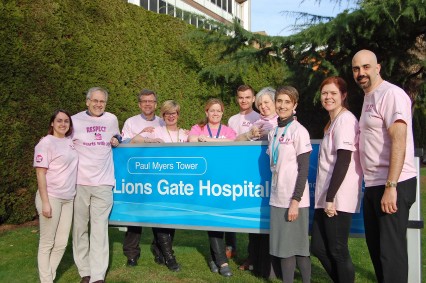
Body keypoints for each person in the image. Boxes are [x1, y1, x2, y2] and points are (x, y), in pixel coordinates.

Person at [352, 49, 417, 283]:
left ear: (378, 67)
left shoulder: (391, 94)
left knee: (391, 254)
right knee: (377, 251)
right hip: (375, 184)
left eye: (366, 67)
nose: (361, 73)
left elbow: (399, 139)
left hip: (394, 183)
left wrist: (391, 186)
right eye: (356, 69)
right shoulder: (369, 97)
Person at [310, 76, 363, 283]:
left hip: (337, 196)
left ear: (343, 95)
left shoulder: (346, 120)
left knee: (337, 249)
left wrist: (331, 197)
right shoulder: (332, 122)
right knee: (318, 247)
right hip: (326, 194)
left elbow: (344, 160)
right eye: (325, 93)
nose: (328, 97)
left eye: (333, 93)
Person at [72, 87, 120, 283]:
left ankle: (98, 275)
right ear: (87, 101)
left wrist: (116, 139)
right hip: (79, 183)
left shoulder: (111, 119)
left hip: (103, 183)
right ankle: (85, 271)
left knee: (99, 230)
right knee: (80, 229)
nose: (98, 104)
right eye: (95, 101)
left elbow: (117, 136)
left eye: (102, 102)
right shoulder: (74, 120)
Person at [132, 100, 187, 272]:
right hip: (159, 183)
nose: (171, 116)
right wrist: (149, 140)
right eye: (167, 113)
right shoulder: (156, 130)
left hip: (178, 184)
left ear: (178, 115)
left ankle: (160, 250)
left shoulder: (184, 134)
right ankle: (170, 257)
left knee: (172, 220)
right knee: (161, 217)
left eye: (174, 113)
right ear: (162, 116)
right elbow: (134, 141)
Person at [267, 86, 312, 283]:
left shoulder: (299, 131)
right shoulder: (273, 132)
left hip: (294, 200)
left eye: (287, 102)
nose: (282, 105)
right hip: (277, 197)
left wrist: (295, 201)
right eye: (279, 101)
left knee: (299, 247)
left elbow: (304, 170)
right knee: (285, 248)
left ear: (295, 105)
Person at [234, 87, 279, 277]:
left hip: (275, 179)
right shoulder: (258, 123)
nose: (263, 106)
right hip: (257, 178)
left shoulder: (283, 121)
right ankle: (257, 263)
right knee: (257, 222)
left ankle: (271, 266)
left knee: (271, 224)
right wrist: (248, 135)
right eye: (260, 103)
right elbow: (237, 141)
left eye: (266, 102)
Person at [188, 98, 236, 277]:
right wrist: (199, 138)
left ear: (223, 113)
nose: (215, 113)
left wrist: (207, 140)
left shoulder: (228, 130)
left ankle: (214, 258)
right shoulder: (198, 128)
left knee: (221, 219)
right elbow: (191, 139)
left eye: (219, 111)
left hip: (225, 181)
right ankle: (222, 261)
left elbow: (235, 142)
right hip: (206, 181)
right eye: (212, 110)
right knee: (214, 219)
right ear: (206, 112)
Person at [117, 89, 165, 267]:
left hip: (158, 175)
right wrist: (144, 139)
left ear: (155, 104)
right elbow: (123, 143)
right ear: (139, 104)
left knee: (159, 215)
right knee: (134, 217)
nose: (147, 104)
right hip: (136, 175)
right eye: (144, 101)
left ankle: (160, 250)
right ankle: (131, 254)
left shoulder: (162, 121)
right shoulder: (131, 122)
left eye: (151, 101)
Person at [34, 110, 78, 283]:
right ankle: (47, 280)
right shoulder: (45, 143)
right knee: (47, 243)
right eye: (59, 121)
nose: (63, 124)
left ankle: (48, 277)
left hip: (69, 198)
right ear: (52, 123)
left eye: (66, 121)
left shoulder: (70, 141)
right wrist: (45, 203)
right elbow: (40, 174)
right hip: (51, 197)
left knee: (61, 243)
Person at [226, 85, 260, 260]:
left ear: (253, 98)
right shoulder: (231, 120)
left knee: (251, 211)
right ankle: (230, 245)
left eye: (247, 97)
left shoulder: (259, 117)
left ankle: (252, 254)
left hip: (252, 169)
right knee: (230, 206)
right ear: (237, 98)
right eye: (241, 97)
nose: (244, 100)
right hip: (234, 168)